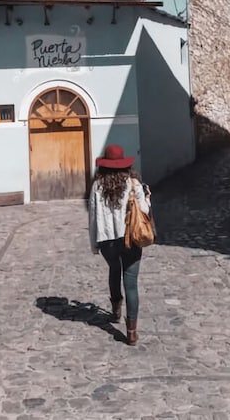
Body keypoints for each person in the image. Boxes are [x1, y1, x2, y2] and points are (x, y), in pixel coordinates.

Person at [88, 144, 151, 346]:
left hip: (107, 240)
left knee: (114, 269)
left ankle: (116, 310)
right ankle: (131, 332)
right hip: (131, 238)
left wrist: (94, 244)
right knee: (131, 283)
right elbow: (144, 211)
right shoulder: (134, 184)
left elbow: (92, 217)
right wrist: (147, 198)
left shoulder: (97, 186)